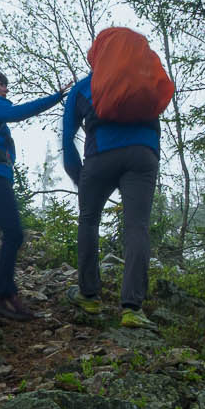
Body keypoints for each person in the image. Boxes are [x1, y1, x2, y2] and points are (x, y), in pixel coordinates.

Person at [61, 50, 163, 329]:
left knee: (88, 221)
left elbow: (67, 136)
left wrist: (78, 175)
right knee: (137, 226)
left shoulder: (84, 86)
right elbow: (156, 126)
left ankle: (89, 295)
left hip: (100, 157)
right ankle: (132, 308)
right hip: (143, 155)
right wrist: (149, 155)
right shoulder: (142, 83)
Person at [0, 70, 66, 321]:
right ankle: (6, 296)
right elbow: (18, 113)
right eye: (0, 83)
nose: (5, 89)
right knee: (13, 233)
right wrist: (56, 97)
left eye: (6, 85)